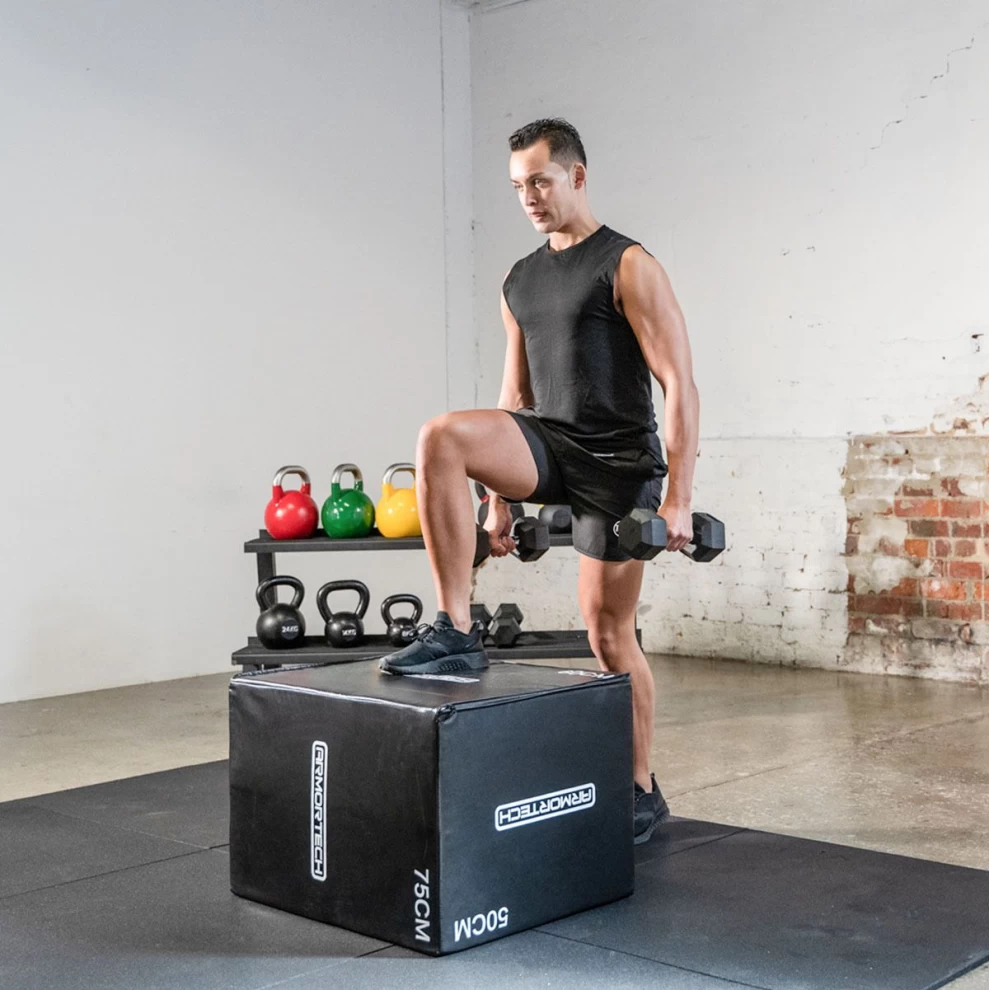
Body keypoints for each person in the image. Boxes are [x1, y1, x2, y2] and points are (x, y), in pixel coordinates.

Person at [378, 118, 700, 844]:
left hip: (618, 465)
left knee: (607, 632)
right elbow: (514, 396)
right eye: (518, 186)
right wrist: (497, 501)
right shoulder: (518, 279)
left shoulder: (628, 264)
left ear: (577, 176)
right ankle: (456, 629)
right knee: (442, 436)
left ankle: (640, 790)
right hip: (550, 443)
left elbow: (679, 383)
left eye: (541, 181)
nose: (529, 196)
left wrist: (679, 496)